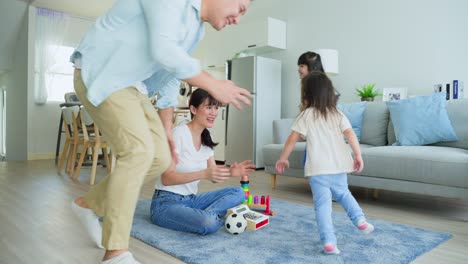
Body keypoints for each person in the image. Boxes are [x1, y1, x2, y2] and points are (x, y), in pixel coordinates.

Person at [69, 0, 253, 263]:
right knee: (139, 152)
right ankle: (116, 252)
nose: (238, 18)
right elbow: (164, 50)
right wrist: (213, 84)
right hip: (102, 72)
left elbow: (167, 76)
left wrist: (166, 130)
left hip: (133, 85)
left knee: (160, 158)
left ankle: (88, 205)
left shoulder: (195, 29)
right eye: (240, 8)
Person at [275, 71, 374, 255]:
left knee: (322, 205)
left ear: (307, 94)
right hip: (339, 165)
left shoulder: (306, 115)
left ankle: (329, 241)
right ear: (329, 92)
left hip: (318, 168)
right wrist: (358, 155)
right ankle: (360, 220)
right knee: (344, 194)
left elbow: (291, 139)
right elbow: (350, 134)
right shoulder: (337, 113)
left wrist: (283, 158)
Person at [150, 88, 254, 235]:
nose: (214, 113)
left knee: (238, 192)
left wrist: (231, 172)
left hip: (191, 201)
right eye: (209, 107)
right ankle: (207, 217)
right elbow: (166, 179)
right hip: (166, 204)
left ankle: (204, 215)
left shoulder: (206, 140)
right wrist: (203, 173)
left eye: (216, 108)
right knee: (208, 223)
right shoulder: (179, 133)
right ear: (193, 109)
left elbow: (213, 177)